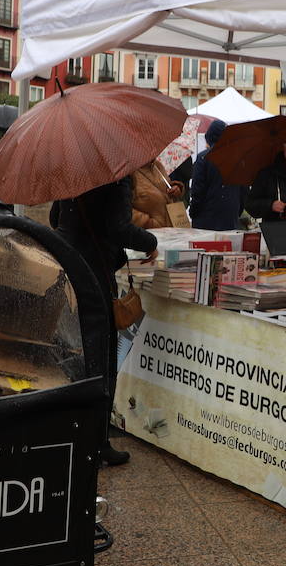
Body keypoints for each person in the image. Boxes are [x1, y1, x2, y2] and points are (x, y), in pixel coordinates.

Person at [51, 178, 158, 466]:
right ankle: (97, 444)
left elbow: (54, 218)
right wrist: (150, 242)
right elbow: (119, 228)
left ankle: (73, 436)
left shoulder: (72, 172)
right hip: (94, 275)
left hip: (68, 268)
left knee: (77, 356)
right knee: (101, 359)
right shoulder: (115, 175)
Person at [188, 120, 245, 230]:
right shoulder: (238, 160)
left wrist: (193, 213)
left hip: (205, 221)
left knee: (208, 247)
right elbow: (243, 192)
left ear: (210, 136)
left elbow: (197, 191)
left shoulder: (203, 158)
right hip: (230, 219)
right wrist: (236, 211)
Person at [130, 159, 185, 229]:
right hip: (148, 233)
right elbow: (123, 209)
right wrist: (147, 223)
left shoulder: (156, 165)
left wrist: (176, 188)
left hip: (171, 230)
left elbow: (165, 185)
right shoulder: (128, 173)